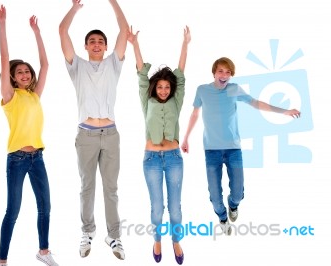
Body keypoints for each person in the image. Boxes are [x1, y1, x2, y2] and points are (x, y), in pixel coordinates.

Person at [181, 57, 301, 235]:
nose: (224, 75)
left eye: (228, 72)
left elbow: (256, 104)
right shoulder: (202, 90)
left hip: (233, 149)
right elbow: (194, 114)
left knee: (237, 193)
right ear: (214, 72)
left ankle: (233, 205)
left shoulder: (234, 89)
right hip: (211, 150)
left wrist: (284, 111)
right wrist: (186, 138)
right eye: (221, 71)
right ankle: (222, 217)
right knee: (214, 197)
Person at [58, 0, 129, 260]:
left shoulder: (114, 64)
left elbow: (123, 30)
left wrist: (112, 2)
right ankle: (87, 231)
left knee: (111, 188)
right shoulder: (77, 66)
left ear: (106, 46)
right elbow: (62, 32)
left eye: (101, 41)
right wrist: (75, 9)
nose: (97, 44)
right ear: (86, 47)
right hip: (86, 135)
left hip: (110, 135)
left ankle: (114, 236)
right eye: (92, 41)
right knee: (87, 186)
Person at [0, 3, 58, 266]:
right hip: (17, 159)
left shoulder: (34, 95)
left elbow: (45, 64)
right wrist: (2, 24)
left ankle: (43, 252)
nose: (24, 73)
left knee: (46, 207)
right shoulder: (10, 96)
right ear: (11, 77)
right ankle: (2, 260)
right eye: (19, 71)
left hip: (37, 158)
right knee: (13, 211)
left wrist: (37, 31)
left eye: (26, 71)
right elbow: (4, 57)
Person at [127, 25, 191, 265]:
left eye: (167, 87)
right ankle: (156, 239)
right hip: (151, 160)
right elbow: (142, 76)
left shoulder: (176, 101)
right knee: (157, 207)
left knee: (175, 208)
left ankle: (175, 241)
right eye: (160, 87)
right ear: (155, 88)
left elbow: (181, 74)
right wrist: (135, 45)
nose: (164, 90)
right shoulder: (147, 101)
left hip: (174, 158)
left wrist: (185, 43)